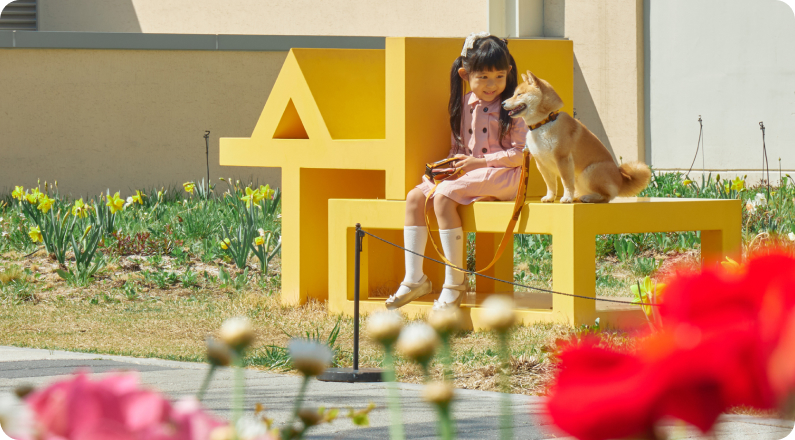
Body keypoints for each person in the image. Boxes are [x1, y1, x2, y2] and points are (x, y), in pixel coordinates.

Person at [386, 32, 529, 311]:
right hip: (470, 174)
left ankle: (455, 282)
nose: (492, 84)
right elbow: (458, 149)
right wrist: (443, 170)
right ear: (465, 75)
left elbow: (522, 156)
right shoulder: (463, 106)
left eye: (499, 77)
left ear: (509, 73)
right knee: (415, 197)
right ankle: (415, 278)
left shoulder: (515, 108)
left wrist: (479, 163)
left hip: (505, 176)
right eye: (483, 77)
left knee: (443, 197)